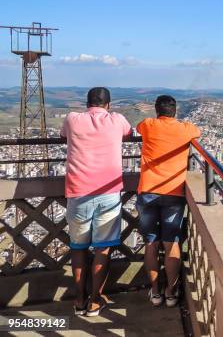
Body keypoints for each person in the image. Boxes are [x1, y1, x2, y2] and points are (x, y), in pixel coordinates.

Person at [61, 87, 132, 316]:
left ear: (86, 103)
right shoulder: (117, 120)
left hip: (78, 192)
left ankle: (79, 299)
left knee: (78, 248)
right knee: (103, 249)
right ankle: (94, 301)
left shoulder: (72, 119)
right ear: (108, 105)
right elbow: (128, 134)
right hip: (109, 193)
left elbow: (63, 135)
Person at [136, 95, 201, 306]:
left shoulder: (148, 125)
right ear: (176, 110)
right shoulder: (185, 129)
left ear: (156, 110)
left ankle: (155, 292)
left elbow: (138, 128)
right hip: (174, 192)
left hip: (147, 191)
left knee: (151, 243)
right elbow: (197, 132)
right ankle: (171, 292)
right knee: (171, 242)